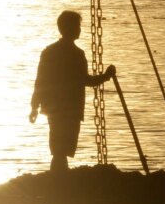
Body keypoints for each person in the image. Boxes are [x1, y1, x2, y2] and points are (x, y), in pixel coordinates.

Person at [30, 11, 115, 172]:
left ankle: (59, 177)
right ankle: (60, 179)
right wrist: (106, 76)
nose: (79, 29)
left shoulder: (49, 52)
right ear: (69, 28)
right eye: (77, 26)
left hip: (53, 108)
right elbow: (87, 81)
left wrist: (35, 106)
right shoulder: (77, 54)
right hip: (71, 109)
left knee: (59, 149)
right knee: (62, 148)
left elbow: (40, 81)